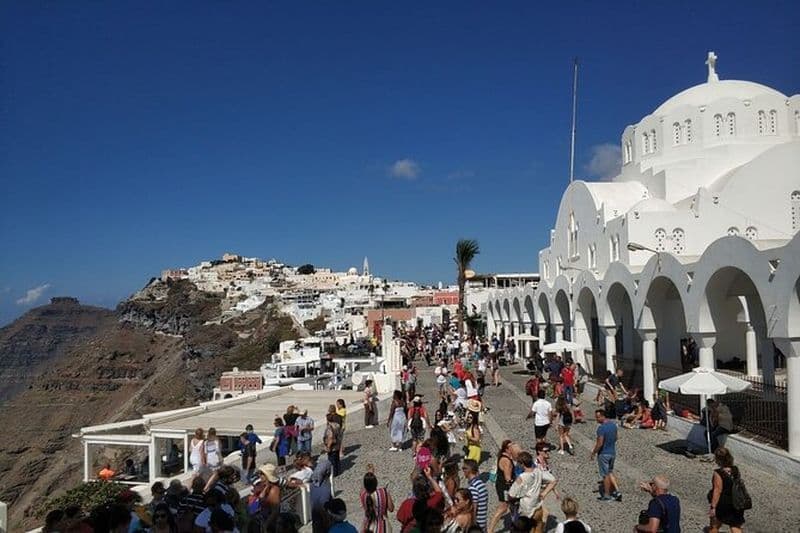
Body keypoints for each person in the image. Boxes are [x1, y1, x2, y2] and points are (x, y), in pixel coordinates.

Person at [508, 450, 556, 533]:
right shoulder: (538, 471)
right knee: (538, 529)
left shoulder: (522, 477)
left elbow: (511, 495)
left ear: (522, 464)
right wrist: (544, 493)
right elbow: (553, 480)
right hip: (538, 508)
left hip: (527, 511)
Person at [707, 447, 746, 533]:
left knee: (714, 526)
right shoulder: (735, 470)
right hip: (736, 502)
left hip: (723, 503)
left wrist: (713, 507)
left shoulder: (718, 473)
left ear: (718, 459)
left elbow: (717, 491)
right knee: (735, 526)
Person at [590, 409, 622, 502]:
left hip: (604, 454)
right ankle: (616, 491)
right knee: (610, 472)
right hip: (612, 452)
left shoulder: (601, 428)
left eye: (598, 417)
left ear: (603, 416)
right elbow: (616, 438)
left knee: (605, 475)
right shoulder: (613, 425)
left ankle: (607, 495)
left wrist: (593, 452)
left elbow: (600, 443)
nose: (596, 419)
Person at [487, 439, 517, 533]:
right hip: (505, 487)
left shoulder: (505, 456)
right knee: (503, 507)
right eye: (511, 446)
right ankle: (490, 530)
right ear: (507, 449)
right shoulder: (507, 461)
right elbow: (508, 478)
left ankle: (515, 526)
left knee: (513, 507)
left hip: (501, 485)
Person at [360, 467, 394, 533]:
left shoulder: (362, 494)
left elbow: (364, 488)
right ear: (376, 482)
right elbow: (391, 509)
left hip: (368, 526)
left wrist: (369, 475)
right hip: (383, 526)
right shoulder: (383, 492)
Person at [462, 459, 488, 531]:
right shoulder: (481, 483)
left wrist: (473, 525)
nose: (463, 471)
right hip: (483, 522)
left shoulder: (473, 487)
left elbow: (474, 508)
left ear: (469, 470)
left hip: (477, 524)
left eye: (464, 468)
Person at [324, 412, 344, 476]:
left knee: (331, 460)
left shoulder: (329, 427)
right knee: (337, 459)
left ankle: (333, 473)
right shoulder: (337, 425)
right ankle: (338, 471)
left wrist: (328, 447)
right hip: (338, 445)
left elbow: (330, 438)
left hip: (332, 447)